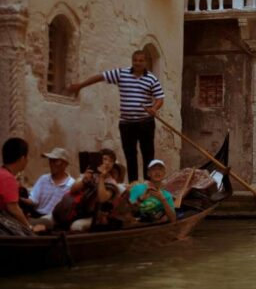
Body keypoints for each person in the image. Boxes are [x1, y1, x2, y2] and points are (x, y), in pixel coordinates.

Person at [68, 50, 165, 182]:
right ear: (132, 61)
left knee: (148, 155)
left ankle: (150, 185)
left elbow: (160, 98)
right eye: (135, 60)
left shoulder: (151, 78)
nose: (137, 63)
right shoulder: (121, 74)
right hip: (126, 124)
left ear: (145, 62)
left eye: (141, 60)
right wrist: (81, 85)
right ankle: (133, 185)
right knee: (130, 156)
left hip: (145, 123)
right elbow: (100, 77)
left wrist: (154, 108)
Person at [0, 138, 44, 233]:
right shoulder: (8, 178)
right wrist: (30, 227)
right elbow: (13, 209)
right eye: (27, 156)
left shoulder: (2, 173)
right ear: (22, 158)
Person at [27, 148, 76, 227]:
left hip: (54, 219)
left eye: (56, 161)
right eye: (50, 160)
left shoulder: (71, 185)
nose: (51, 164)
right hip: (37, 214)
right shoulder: (43, 179)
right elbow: (33, 200)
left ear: (65, 164)